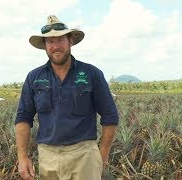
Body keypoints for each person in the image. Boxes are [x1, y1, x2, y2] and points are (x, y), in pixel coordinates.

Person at [14, 15, 119, 180]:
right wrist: (22, 157)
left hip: (84, 156)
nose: (55, 46)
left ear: (70, 41)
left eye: (60, 40)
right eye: (50, 42)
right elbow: (23, 118)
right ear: (44, 46)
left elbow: (110, 116)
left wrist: (103, 154)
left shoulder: (92, 73)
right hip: (48, 157)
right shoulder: (34, 77)